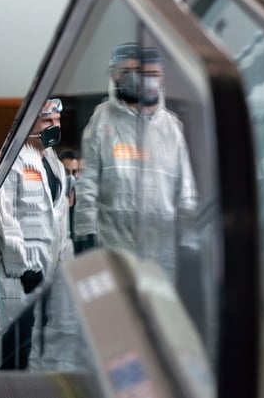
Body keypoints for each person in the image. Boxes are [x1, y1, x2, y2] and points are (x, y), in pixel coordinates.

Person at [73, 43, 198, 284]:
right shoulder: (101, 120)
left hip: (162, 251)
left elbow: (186, 190)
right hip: (115, 247)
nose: (135, 79)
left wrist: (189, 240)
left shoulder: (171, 127)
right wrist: (85, 233)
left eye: (150, 74)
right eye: (124, 71)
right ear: (114, 75)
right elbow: (87, 183)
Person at [0, 98, 79, 371]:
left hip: (47, 272)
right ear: (29, 124)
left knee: (35, 348)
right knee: (11, 345)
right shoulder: (11, 160)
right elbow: (1, 218)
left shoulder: (55, 165)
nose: (54, 127)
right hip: (13, 273)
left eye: (57, 121)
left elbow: (61, 224)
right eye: (47, 121)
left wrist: (67, 268)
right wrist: (24, 267)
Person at [58, 149, 80, 245]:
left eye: (74, 172)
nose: (71, 177)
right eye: (66, 172)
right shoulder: (54, 204)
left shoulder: (82, 208)